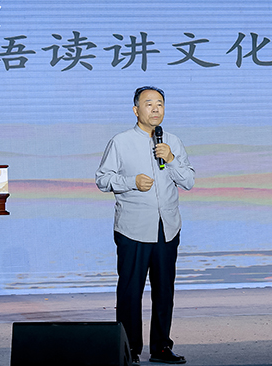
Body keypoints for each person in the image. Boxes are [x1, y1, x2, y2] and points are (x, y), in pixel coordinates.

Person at [95, 86, 195, 365]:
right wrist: (131, 182)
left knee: (164, 292)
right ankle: (129, 350)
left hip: (167, 228)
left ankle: (161, 347)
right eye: (149, 103)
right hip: (133, 228)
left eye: (160, 104)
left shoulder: (172, 142)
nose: (155, 109)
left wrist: (170, 159)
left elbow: (188, 180)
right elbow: (102, 179)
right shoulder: (120, 141)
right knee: (130, 292)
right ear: (136, 110)